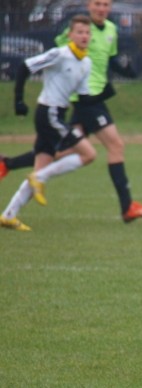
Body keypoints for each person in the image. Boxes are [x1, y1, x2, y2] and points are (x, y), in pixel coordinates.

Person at [1, 0, 142, 224]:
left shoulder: (103, 40)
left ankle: (8, 205)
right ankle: (127, 207)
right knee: (102, 149)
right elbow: (37, 63)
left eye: (105, 4)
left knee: (58, 153)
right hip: (59, 109)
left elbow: (108, 61)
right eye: (97, 4)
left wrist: (122, 77)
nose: (101, 9)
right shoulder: (64, 50)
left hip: (81, 101)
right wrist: (19, 100)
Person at [1, 15, 99, 232]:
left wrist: (94, 117)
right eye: (79, 32)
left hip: (59, 114)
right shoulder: (60, 54)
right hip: (49, 113)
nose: (84, 36)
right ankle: (39, 178)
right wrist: (18, 100)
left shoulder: (86, 62)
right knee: (89, 154)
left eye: (87, 32)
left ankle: (8, 215)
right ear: (70, 35)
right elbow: (25, 67)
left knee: (41, 165)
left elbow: (83, 98)